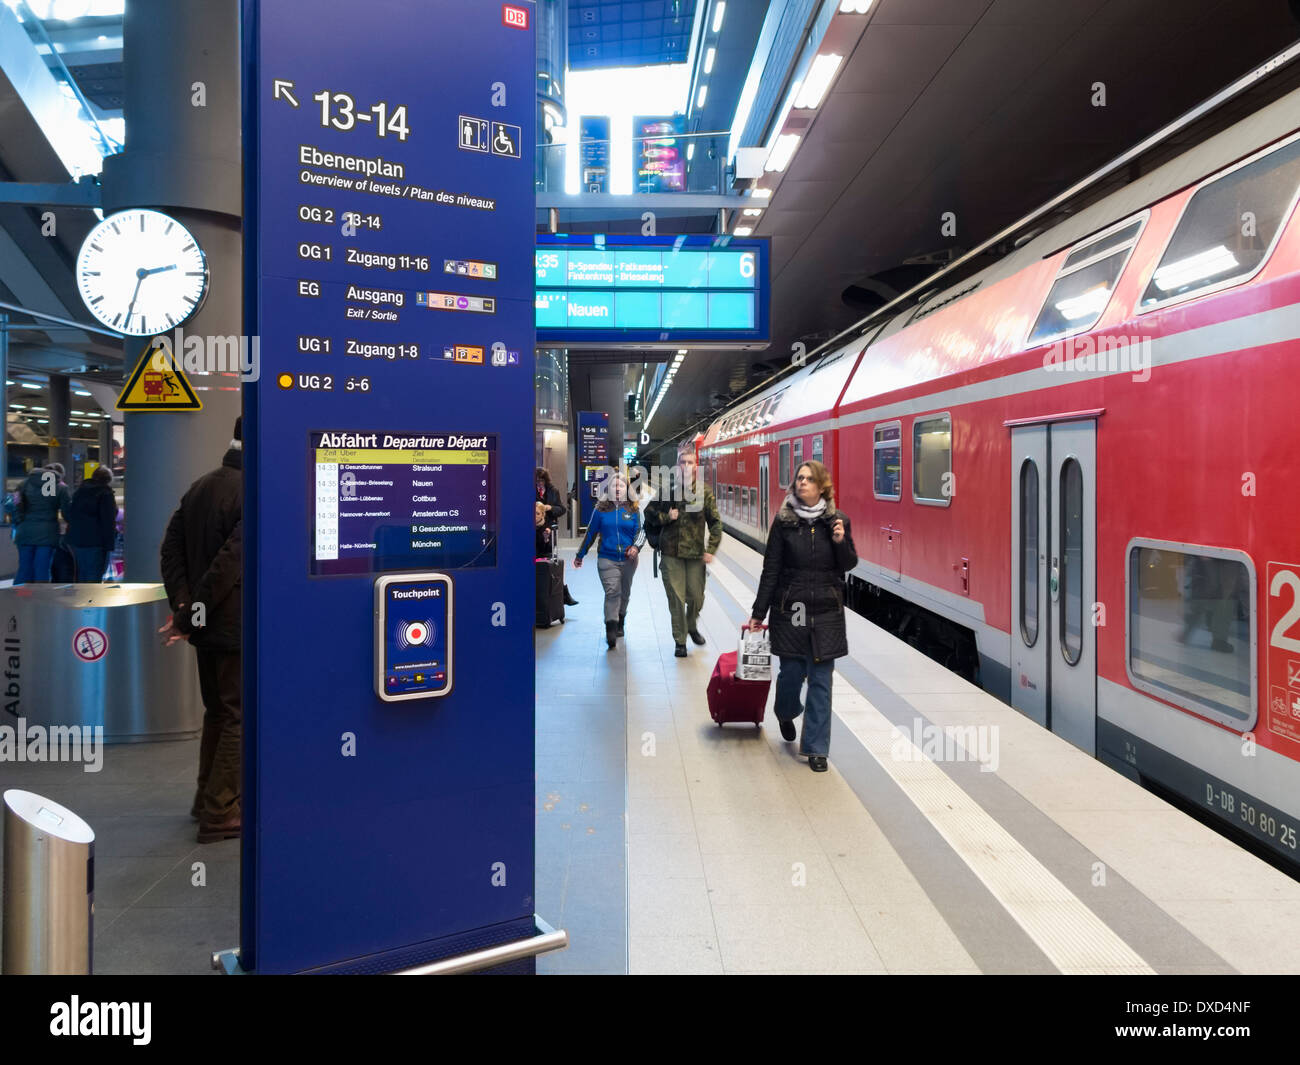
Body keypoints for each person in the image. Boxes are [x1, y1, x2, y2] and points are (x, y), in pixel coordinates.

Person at [159, 417, 243, 843]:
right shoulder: (253, 491)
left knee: (217, 710)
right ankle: (221, 810)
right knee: (236, 715)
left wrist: (184, 607)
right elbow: (229, 564)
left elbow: (171, 548)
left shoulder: (201, 486)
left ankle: (204, 798)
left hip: (207, 625)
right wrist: (193, 613)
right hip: (232, 624)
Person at [749, 461, 858, 773]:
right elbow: (771, 569)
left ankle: (816, 749)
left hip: (826, 612)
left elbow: (848, 564)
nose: (803, 483)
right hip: (792, 611)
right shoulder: (783, 523)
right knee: (792, 675)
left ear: (822, 486)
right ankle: (785, 712)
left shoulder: (838, 521)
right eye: (799, 478)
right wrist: (759, 612)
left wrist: (840, 542)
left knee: (822, 681)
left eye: (809, 479)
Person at [643, 446, 722, 658]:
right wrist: (666, 518)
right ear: (677, 466)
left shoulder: (704, 492)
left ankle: (691, 626)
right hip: (671, 553)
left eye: (690, 462)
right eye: (682, 462)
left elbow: (715, 523)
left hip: (696, 554)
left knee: (696, 597)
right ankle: (680, 641)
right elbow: (648, 513)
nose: (686, 466)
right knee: (676, 599)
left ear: (696, 466)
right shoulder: (667, 490)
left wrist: (712, 548)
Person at [573, 472, 644, 649]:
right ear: (609, 490)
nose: (617, 489)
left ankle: (621, 619)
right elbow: (590, 533)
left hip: (629, 561)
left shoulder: (634, 510)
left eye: (621, 486)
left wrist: (636, 547)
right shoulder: (600, 510)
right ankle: (610, 627)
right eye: (614, 486)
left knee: (625, 593)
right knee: (612, 591)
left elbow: (641, 533)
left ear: (627, 489)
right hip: (607, 558)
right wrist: (580, 555)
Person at [13, 461, 71, 584]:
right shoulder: (61, 487)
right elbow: (67, 513)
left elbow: (16, 505)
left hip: (25, 532)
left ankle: (19, 599)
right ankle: (40, 601)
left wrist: (20, 521)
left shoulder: (24, 484)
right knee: (42, 570)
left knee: (24, 569)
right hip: (47, 534)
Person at [64, 466, 117, 583]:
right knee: (94, 574)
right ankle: (91, 600)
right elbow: (108, 521)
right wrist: (110, 545)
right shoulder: (105, 494)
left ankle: (81, 599)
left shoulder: (80, 491)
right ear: (108, 480)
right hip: (95, 541)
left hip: (76, 539)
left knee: (81, 573)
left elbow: (70, 513)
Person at [536, 467, 577, 605]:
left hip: (548, 532)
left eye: (542, 480)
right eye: (537, 480)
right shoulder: (528, 491)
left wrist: (549, 508)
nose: (539, 483)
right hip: (534, 532)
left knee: (550, 563)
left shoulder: (553, 491)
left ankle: (560, 594)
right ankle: (558, 594)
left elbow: (562, 509)